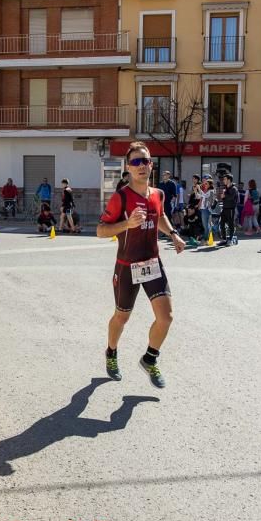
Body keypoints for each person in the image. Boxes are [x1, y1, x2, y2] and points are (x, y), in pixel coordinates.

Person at [97, 141, 185, 389]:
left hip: (152, 263)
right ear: (128, 167)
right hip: (127, 266)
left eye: (144, 161)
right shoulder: (121, 198)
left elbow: (161, 216)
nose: (141, 166)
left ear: (151, 165)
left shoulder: (158, 194)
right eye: (135, 162)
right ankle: (111, 352)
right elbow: (100, 231)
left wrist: (173, 234)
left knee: (165, 317)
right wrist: (127, 225)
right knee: (121, 317)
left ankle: (149, 359)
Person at [218, 173, 238, 246]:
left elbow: (231, 198)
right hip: (224, 208)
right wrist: (222, 196)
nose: (223, 180)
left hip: (231, 209)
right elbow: (224, 198)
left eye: (225, 179)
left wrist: (224, 195)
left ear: (229, 180)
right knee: (221, 223)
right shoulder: (225, 188)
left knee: (230, 224)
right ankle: (224, 239)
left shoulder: (234, 189)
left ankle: (230, 239)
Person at [199, 176, 216, 243]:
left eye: (206, 184)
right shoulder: (205, 191)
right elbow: (199, 196)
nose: (204, 185)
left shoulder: (211, 191)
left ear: (209, 184)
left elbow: (211, 200)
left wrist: (207, 204)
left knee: (206, 225)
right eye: (204, 183)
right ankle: (207, 237)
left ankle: (206, 238)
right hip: (203, 208)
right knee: (205, 224)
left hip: (206, 209)